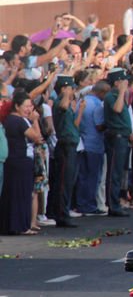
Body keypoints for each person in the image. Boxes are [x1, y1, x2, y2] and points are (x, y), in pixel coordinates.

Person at [1, 89, 43, 234]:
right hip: (21, 159)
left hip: (12, 160)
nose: (29, 109)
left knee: (12, 193)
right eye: (26, 106)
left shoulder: (8, 120)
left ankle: (11, 225)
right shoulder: (19, 121)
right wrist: (35, 120)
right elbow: (37, 137)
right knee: (22, 194)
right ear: (17, 106)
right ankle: (20, 226)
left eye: (30, 106)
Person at [47, 76, 83, 227]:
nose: (73, 91)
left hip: (71, 144)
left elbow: (74, 124)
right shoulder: (60, 103)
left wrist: (80, 109)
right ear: (64, 88)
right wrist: (67, 94)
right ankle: (61, 214)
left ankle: (63, 211)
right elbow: (62, 106)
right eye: (71, 88)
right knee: (63, 182)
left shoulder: (67, 104)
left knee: (68, 181)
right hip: (65, 145)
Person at [73, 81, 109, 215]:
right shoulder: (97, 105)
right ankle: (88, 205)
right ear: (102, 92)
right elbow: (99, 126)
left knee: (83, 176)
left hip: (83, 142)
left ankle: (81, 203)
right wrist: (109, 122)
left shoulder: (82, 102)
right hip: (94, 144)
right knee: (92, 176)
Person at [103, 68, 133, 217]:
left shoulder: (117, 95)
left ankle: (116, 202)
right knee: (114, 173)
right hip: (116, 137)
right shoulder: (111, 96)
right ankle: (112, 205)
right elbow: (117, 109)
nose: (126, 83)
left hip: (123, 137)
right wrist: (122, 92)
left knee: (119, 172)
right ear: (117, 82)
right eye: (123, 80)